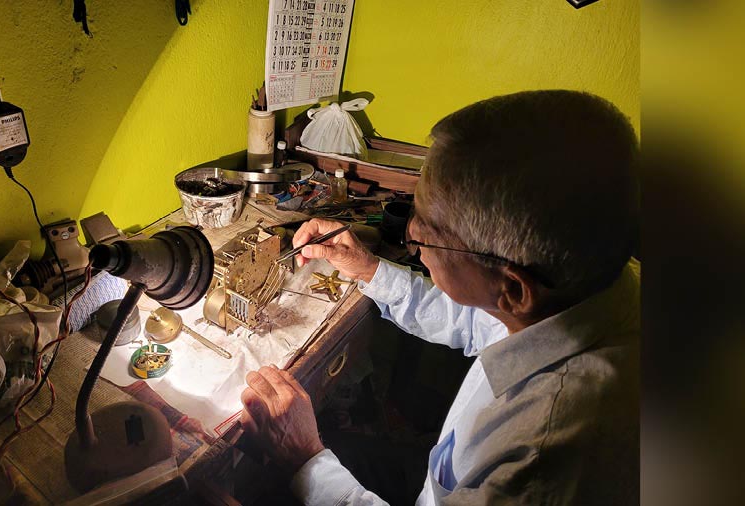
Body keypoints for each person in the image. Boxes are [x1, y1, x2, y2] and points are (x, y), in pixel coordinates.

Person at [240, 90, 640, 505]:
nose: (411, 236)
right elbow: (475, 319)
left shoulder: (540, 458)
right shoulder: (577, 289)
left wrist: (305, 458)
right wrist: (367, 268)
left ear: (515, 289)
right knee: (342, 447)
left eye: (428, 234)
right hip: (441, 473)